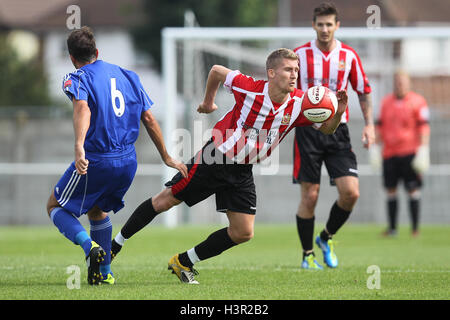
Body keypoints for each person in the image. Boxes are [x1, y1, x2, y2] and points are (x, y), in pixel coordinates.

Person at [110, 48, 349, 284]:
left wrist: (337, 113)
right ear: (272, 73)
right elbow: (216, 70)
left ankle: (183, 261)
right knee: (165, 200)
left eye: (296, 69)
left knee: (243, 232)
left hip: (242, 171)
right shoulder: (250, 88)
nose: (294, 74)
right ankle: (114, 246)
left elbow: (327, 129)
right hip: (215, 159)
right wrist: (208, 102)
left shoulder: (299, 103)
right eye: (288, 69)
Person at [45, 26, 187, 285]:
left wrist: (79, 146)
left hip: (97, 159)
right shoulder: (129, 75)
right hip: (127, 161)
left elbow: (83, 108)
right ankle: (105, 273)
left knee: (55, 206)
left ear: (72, 58)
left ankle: (90, 248)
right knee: (97, 210)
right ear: (97, 52)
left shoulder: (77, 78)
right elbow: (149, 117)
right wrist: (167, 156)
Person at [292, 2, 375, 270]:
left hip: (339, 131)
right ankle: (307, 255)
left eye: (330, 24)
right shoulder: (299, 55)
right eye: (320, 24)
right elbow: (286, 87)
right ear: (313, 25)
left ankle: (325, 237)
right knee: (310, 196)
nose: (325, 29)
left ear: (337, 25)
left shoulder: (348, 55)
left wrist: (369, 124)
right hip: (308, 132)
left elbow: (363, 90)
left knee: (351, 193)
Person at [374, 70, 430, 237]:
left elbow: (424, 127)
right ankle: (392, 229)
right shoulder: (385, 103)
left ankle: (415, 229)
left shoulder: (418, 102)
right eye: (397, 82)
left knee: (413, 190)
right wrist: (375, 148)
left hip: (410, 152)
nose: (400, 85)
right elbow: (379, 127)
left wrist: (424, 149)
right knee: (390, 190)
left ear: (408, 83)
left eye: (402, 82)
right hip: (389, 154)